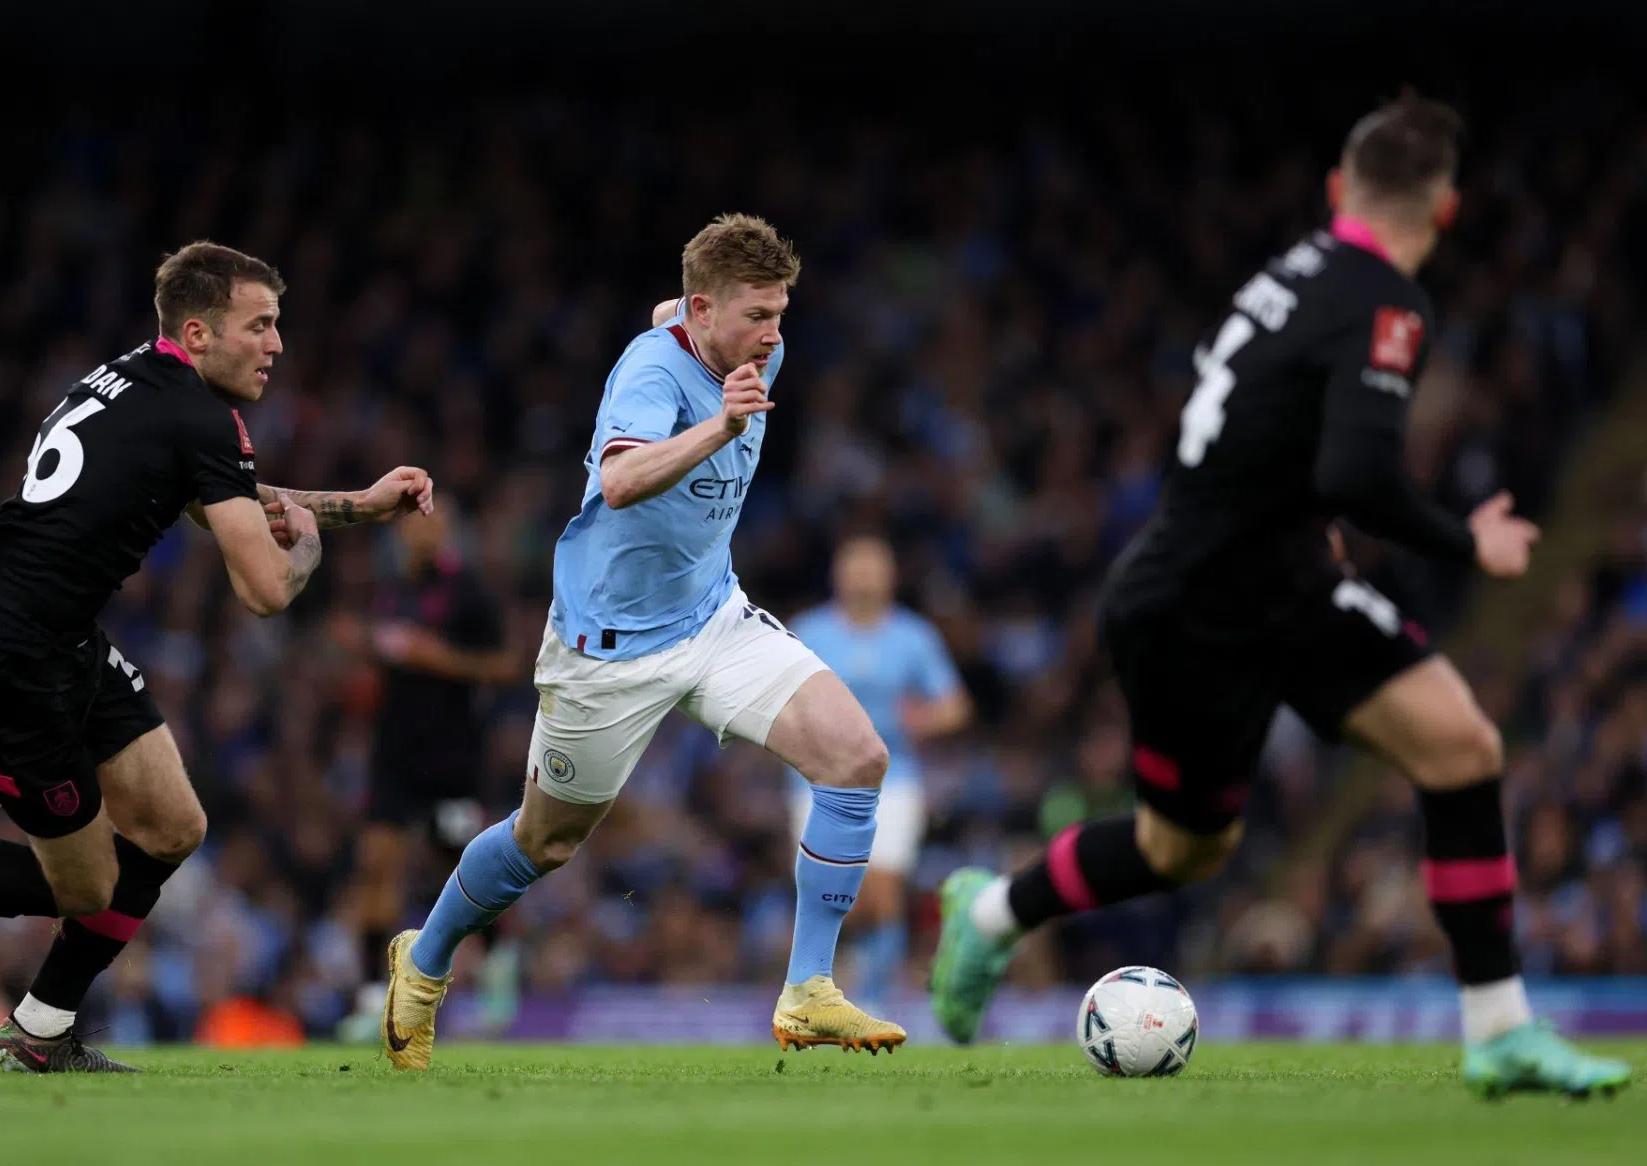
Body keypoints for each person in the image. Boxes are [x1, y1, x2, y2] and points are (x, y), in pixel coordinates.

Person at [928, 96, 1630, 1099]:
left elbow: (1242, 433)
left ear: (1341, 190)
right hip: (1210, 598)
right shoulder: (1385, 301)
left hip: (1241, 578)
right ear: (1446, 211)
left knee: (1459, 746)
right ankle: (991, 910)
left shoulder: (1294, 274)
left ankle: (1502, 1029)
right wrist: (1462, 535)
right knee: (1186, 844)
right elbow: (1357, 470)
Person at [0, 241, 436, 1073]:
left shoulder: (137, 380)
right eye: (259, 325)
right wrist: (307, 559)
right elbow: (264, 589)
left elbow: (212, 496)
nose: (277, 344)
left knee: (172, 827)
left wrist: (357, 507)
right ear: (198, 331)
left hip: (57, 639)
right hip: (10, 661)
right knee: (84, 886)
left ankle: (42, 1029)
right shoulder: (199, 415)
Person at [381, 214, 904, 1070]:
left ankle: (809, 989)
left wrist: (720, 339)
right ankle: (425, 962)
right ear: (704, 310)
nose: (772, 337)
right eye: (755, 317)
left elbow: (684, 312)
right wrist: (720, 426)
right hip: (609, 648)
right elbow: (619, 479)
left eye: (780, 314)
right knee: (543, 842)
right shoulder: (651, 372)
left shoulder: (726, 341)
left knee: (856, 756)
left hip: (712, 616)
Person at [786, 536, 970, 1011]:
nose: (864, 576)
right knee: (836, 896)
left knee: (884, 894)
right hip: (817, 781)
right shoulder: (809, 631)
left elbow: (955, 706)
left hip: (893, 781)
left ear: (891, 577)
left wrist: (924, 719)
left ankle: (872, 1000)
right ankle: (823, 985)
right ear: (837, 574)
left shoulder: (913, 637)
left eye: (874, 567)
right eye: (855, 566)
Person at [349, 493, 513, 1017]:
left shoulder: (468, 592)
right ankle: (373, 991)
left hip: (452, 756)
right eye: (411, 524)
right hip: (394, 751)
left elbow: (505, 666)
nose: (420, 531)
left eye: (431, 522)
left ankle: (495, 964)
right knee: (377, 864)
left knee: (462, 867)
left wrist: (433, 657)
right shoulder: (390, 592)